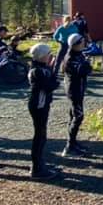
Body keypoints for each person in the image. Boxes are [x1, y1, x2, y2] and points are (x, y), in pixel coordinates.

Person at [27, 43, 60, 179]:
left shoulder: (43, 68)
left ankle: (39, 162)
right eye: (48, 54)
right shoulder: (36, 71)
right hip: (38, 105)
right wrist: (54, 83)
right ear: (41, 56)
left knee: (42, 135)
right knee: (39, 135)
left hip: (43, 103)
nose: (50, 56)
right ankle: (36, 168)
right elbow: (49, 86)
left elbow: (52, 81)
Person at [62, 33, 91, 157]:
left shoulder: (78, 54)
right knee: (78, 116)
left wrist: (87, 65)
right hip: (74, 91)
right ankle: (69, 147)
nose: (84, 43)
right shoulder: (70, 58)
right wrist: (87, 64)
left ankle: (73, 142)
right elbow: (83, 71)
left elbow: (87, 70)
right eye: (82, 41)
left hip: (79, 89)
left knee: (73, 115)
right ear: (76, 44)